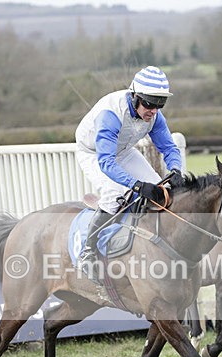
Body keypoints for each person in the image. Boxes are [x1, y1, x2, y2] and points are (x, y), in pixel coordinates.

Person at [74, 65, 183, 278]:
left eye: (160, 103)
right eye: (150, 103)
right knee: (116, 194)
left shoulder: (155, 116)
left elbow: (169, 148)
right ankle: (88, 251)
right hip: (94, 153)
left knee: (161, 192)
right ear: (134, 96)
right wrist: (136, 185)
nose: (154, 110)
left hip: (123, 151)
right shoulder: (111, 114)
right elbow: (106, 162)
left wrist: (176, 169)